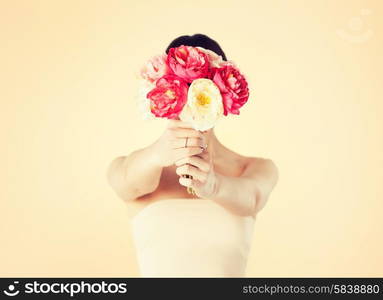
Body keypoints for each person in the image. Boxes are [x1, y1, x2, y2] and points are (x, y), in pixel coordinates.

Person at [107, 34, 279, 277]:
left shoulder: (253, 169)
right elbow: (126, 183)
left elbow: (251, 199)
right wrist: (160, 153)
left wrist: (213, 185)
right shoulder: (136, 169)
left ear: (223, 99)